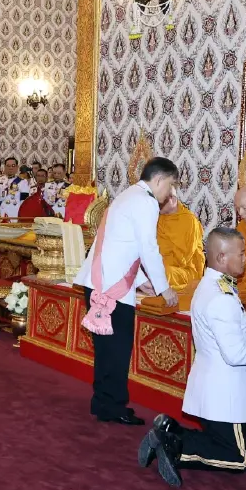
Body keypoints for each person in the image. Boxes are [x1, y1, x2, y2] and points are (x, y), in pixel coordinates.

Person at [140, 228, 246, 487]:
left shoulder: (214, 286)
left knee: (222, 445)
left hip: (214, 384)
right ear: (221, 257)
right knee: (238, 458)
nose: (245, 259)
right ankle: (174, 445)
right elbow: (237, 353)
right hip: (225, 389)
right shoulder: (221, 298)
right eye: (240, 254)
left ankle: (169, 430)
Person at [73, 157, 180, 426]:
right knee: (117, 350)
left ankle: (103, 402)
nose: (171, 193)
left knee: (106, 349)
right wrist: (163, 288)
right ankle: (113, 405)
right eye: (170, 185)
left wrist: (142, 279)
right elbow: (147, 246)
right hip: (112, 290)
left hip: (100, 282)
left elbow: (122, 243)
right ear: (158, 180)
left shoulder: (128, 194)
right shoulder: (145, 201)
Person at [155, 192, 205, 291]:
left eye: (160, 204)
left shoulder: (189, 221)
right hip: (164, 266)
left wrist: (160, 266)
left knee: (164, 273)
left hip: (186, 271)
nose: (157, 206)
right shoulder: (159, 218)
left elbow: (184, 259)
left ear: (173, 200)